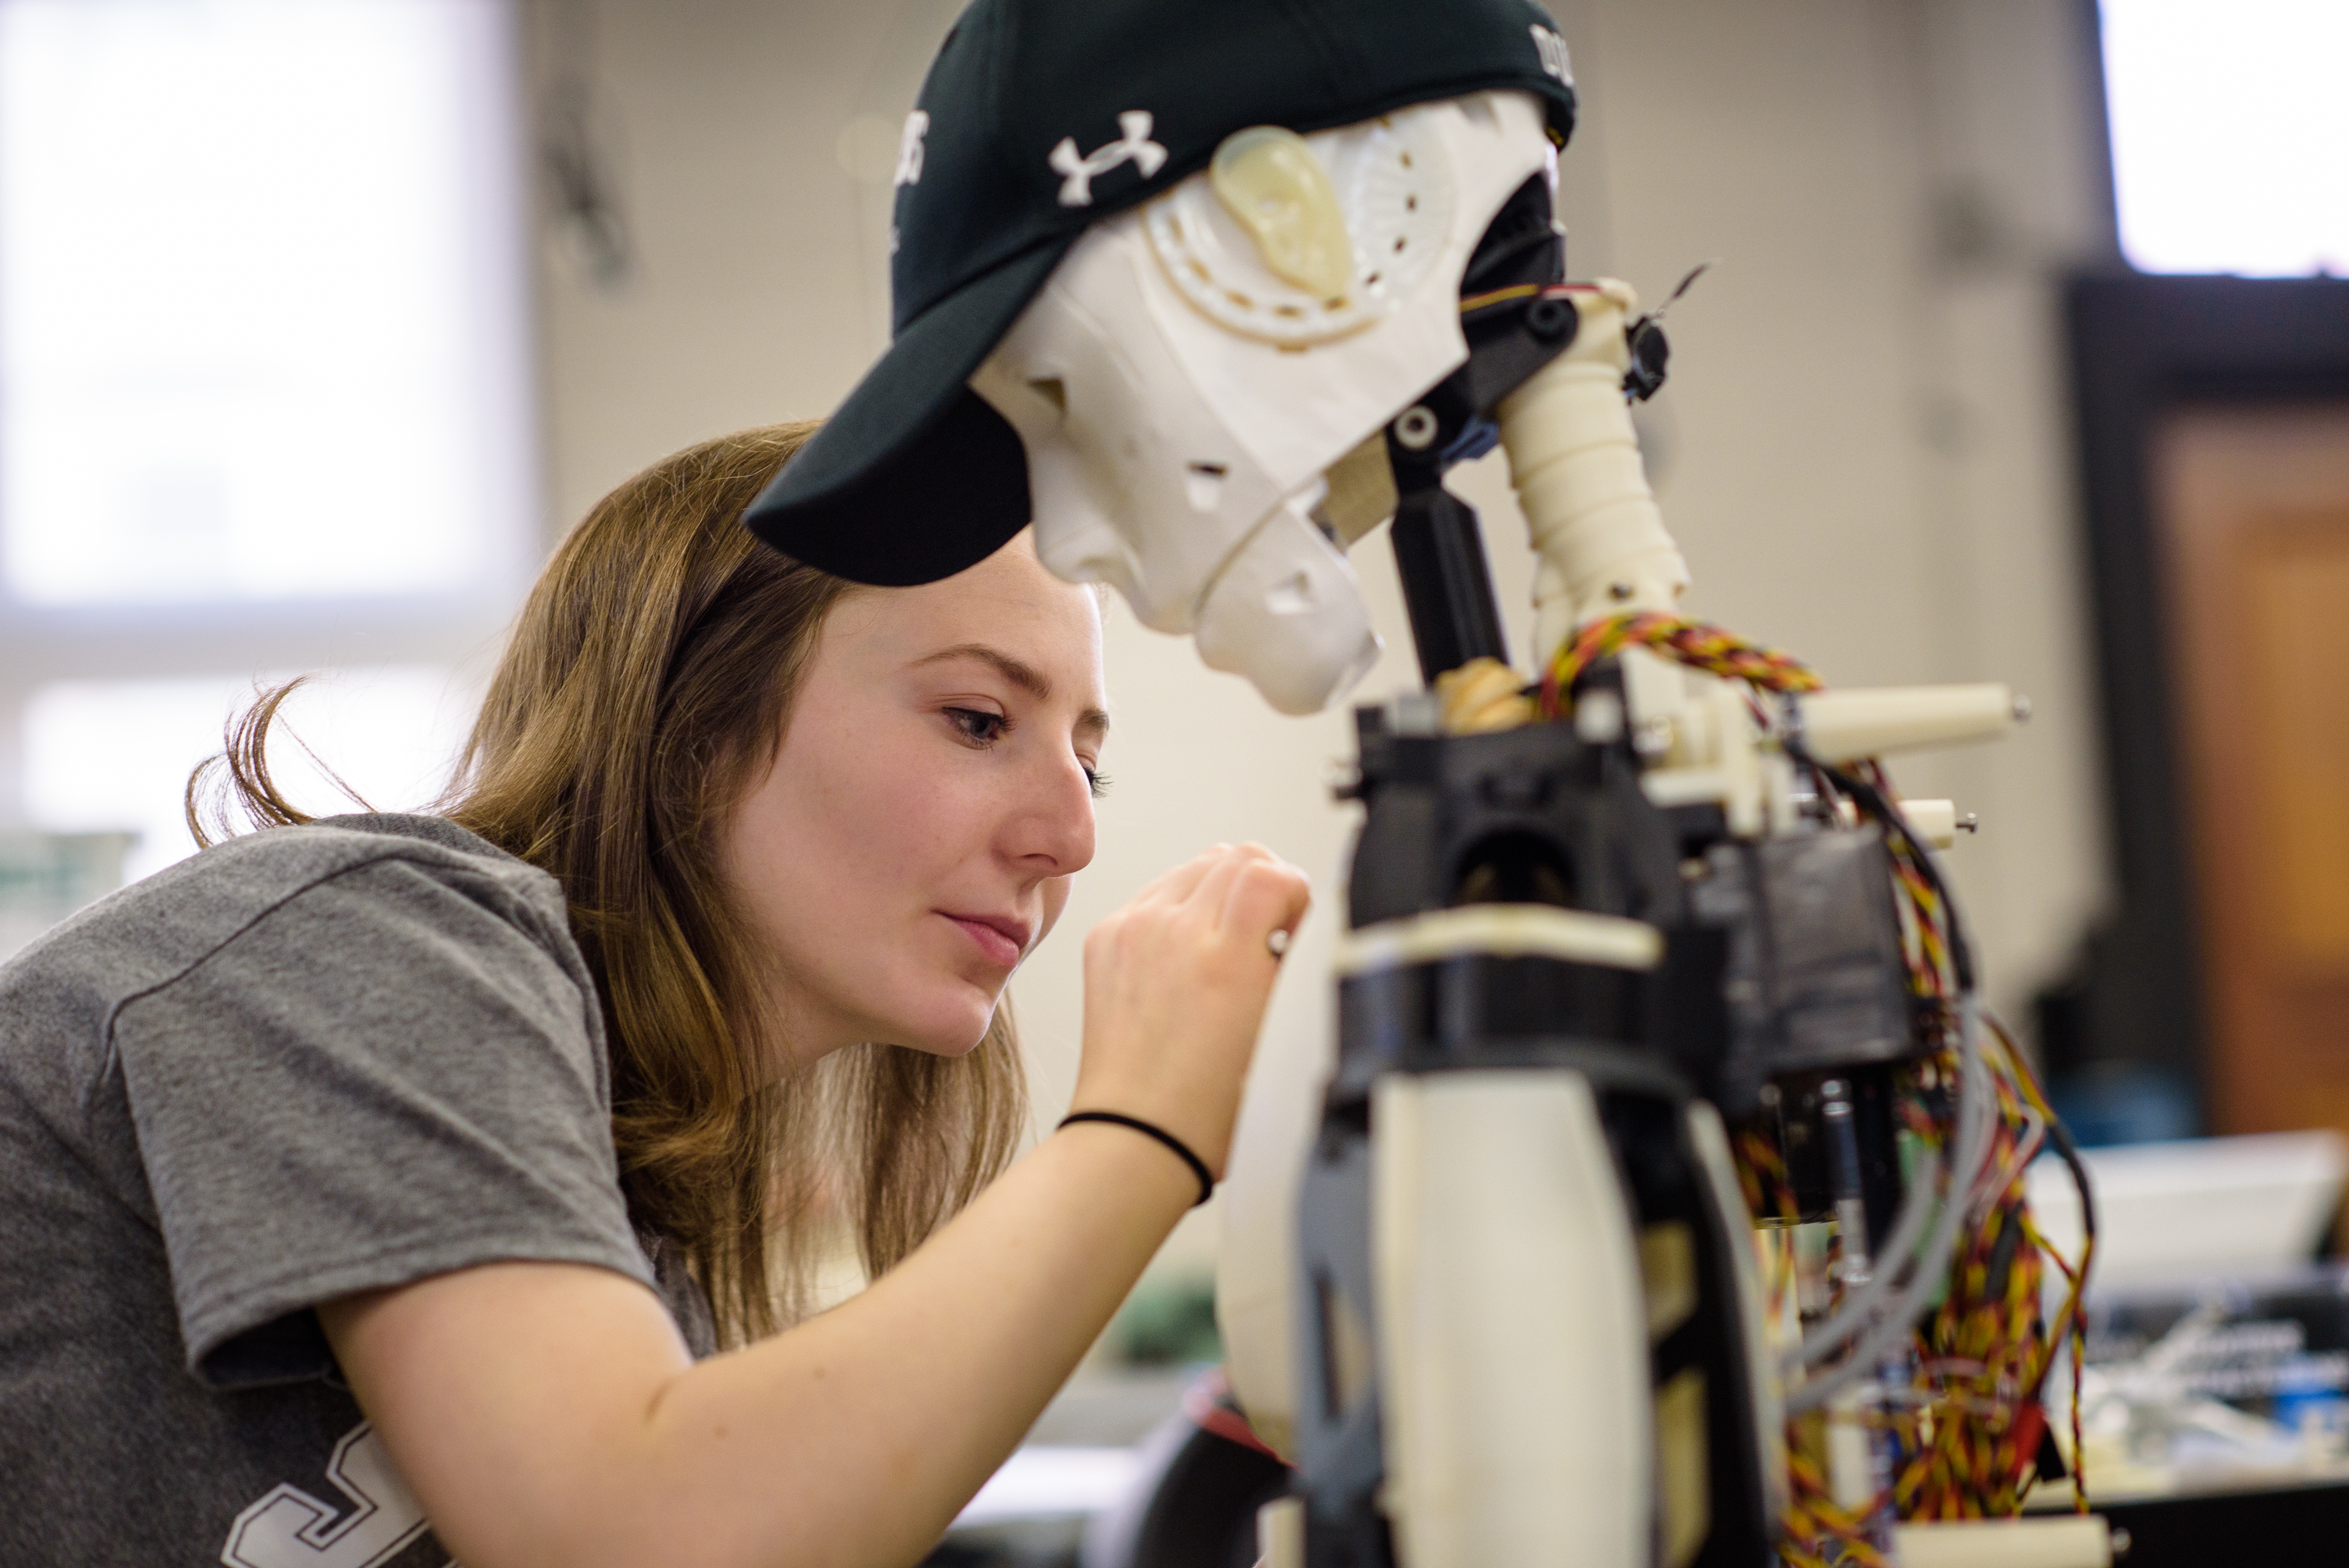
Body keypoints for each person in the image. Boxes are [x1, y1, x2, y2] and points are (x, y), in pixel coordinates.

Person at [0, 420, 1310, 1568]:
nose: (1072, 837)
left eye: (1094, 767)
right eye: (979, 722)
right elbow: (643, 1537)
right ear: (697, 730)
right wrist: (1143, 1127)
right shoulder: (364, 932)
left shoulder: (640, 1260)